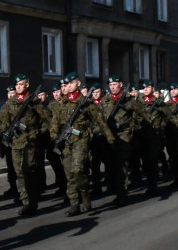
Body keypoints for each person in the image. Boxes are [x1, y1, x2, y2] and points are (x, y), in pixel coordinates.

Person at [50, 72, 115, 215]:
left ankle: (85, 194)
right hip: (65, 142)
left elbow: (100, 122)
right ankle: (74, 203)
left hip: (81, 139)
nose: (67, 87)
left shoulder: (86, 103)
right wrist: (55, 137)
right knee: (69, 175)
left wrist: (110, 138)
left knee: (78, 169)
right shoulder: (60, 104)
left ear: (78, 84)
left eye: (71, 83)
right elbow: (54, 124)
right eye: (66, 85)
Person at [0, 73, 47, 216]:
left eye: (21, 84)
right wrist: (5, 132)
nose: (19, 87)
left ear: (27, 85)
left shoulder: (33, 101)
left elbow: (47, 118)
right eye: (17, 85)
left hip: (30, 140)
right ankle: (25, 200)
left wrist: (39, 133)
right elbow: (4, 122)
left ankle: (32, 201)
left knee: (28, 170)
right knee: (19, 172)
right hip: (16, 142)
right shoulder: (10, 103)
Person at [100, 75, 142, 206]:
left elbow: (140, 116)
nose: (112, 87)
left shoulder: (129, 100)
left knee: (121, 167)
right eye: (110, 85)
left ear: (121, 84)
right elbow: (99, 117)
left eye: (115, 84)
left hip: (123, 136)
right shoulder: (105, 100)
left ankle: (121, 195)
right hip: (108, 137)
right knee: (111, 167)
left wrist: (129, 129)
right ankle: (117, 190)